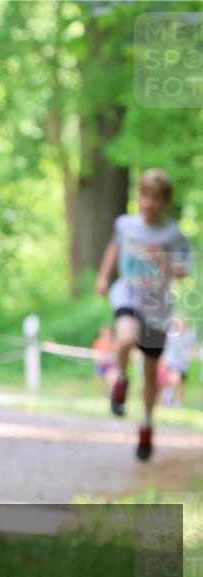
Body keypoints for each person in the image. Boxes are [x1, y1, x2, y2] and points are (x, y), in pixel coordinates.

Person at [95, 168, 192, 461]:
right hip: (129, 295)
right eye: (145, 196)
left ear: (165, 202)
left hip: (157, 308)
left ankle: (147, 425)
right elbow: (114, 248)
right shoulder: (125, 225)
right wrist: (103, 276)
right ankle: (122, 379)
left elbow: (183, 270)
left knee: (151, 373)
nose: (149, 203)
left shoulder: (172, 234)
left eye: (156, 199)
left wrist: (162, 261)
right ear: (139, 196)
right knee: (125, 339)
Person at [162, 315, 198, 407]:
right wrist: (164, 358)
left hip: (183, 362)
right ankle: (169, 397)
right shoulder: (171, 333)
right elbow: (165, 346)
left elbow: (194, 347)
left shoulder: (189, 334)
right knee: (174, 378)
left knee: (181, 383)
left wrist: (190, 355)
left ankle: (178, 401)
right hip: (171, 361)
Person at [91, 325, 118, 396]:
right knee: (103, 383)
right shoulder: (98, 342)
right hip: (101, 366)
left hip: (111, 366)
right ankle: (105, 395)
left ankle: (112, 392)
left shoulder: (114, 342)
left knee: (111, 379)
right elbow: (95, 354)